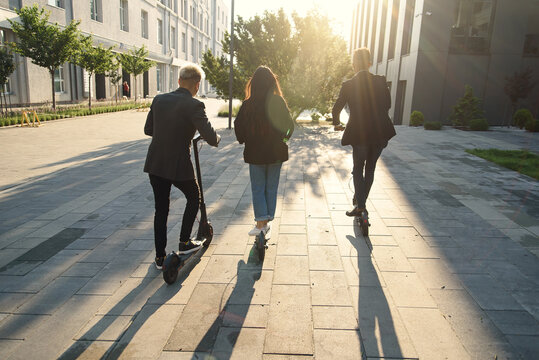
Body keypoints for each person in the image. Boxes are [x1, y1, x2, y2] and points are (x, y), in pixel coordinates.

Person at [144, 63, 220, 270]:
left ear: (179, 81)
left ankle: (160, 258)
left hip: (155, 163)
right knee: (194, 197)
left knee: (161, 209)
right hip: (178, 164)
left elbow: (148, 129)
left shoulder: (159, 100)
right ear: (197, 85)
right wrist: (217, 137)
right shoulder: (194, 105)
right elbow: (211, 137)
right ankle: (185, 241)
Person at [332, 47, 396, 218]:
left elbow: (336, 108)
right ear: (369, 63)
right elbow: (388, 104)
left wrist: (337, 124)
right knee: (370, 169)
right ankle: (361, 203)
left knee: (358, 168)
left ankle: (360, 205)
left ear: (353, 65)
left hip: (359, 133)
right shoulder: (381, 81)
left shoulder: (348, 85)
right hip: (380, 132)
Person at [234, 66, 294, 236]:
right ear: (272, 83)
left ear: (253, 83)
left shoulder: (248, 104)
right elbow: (289, 127)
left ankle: (261, 223)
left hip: (255, 153)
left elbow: (238, 128)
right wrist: (283, 139)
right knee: (271, 187)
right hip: (276, 153)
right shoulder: (278, 101)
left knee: (258, 187)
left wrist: (245, 139)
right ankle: (265, 222)